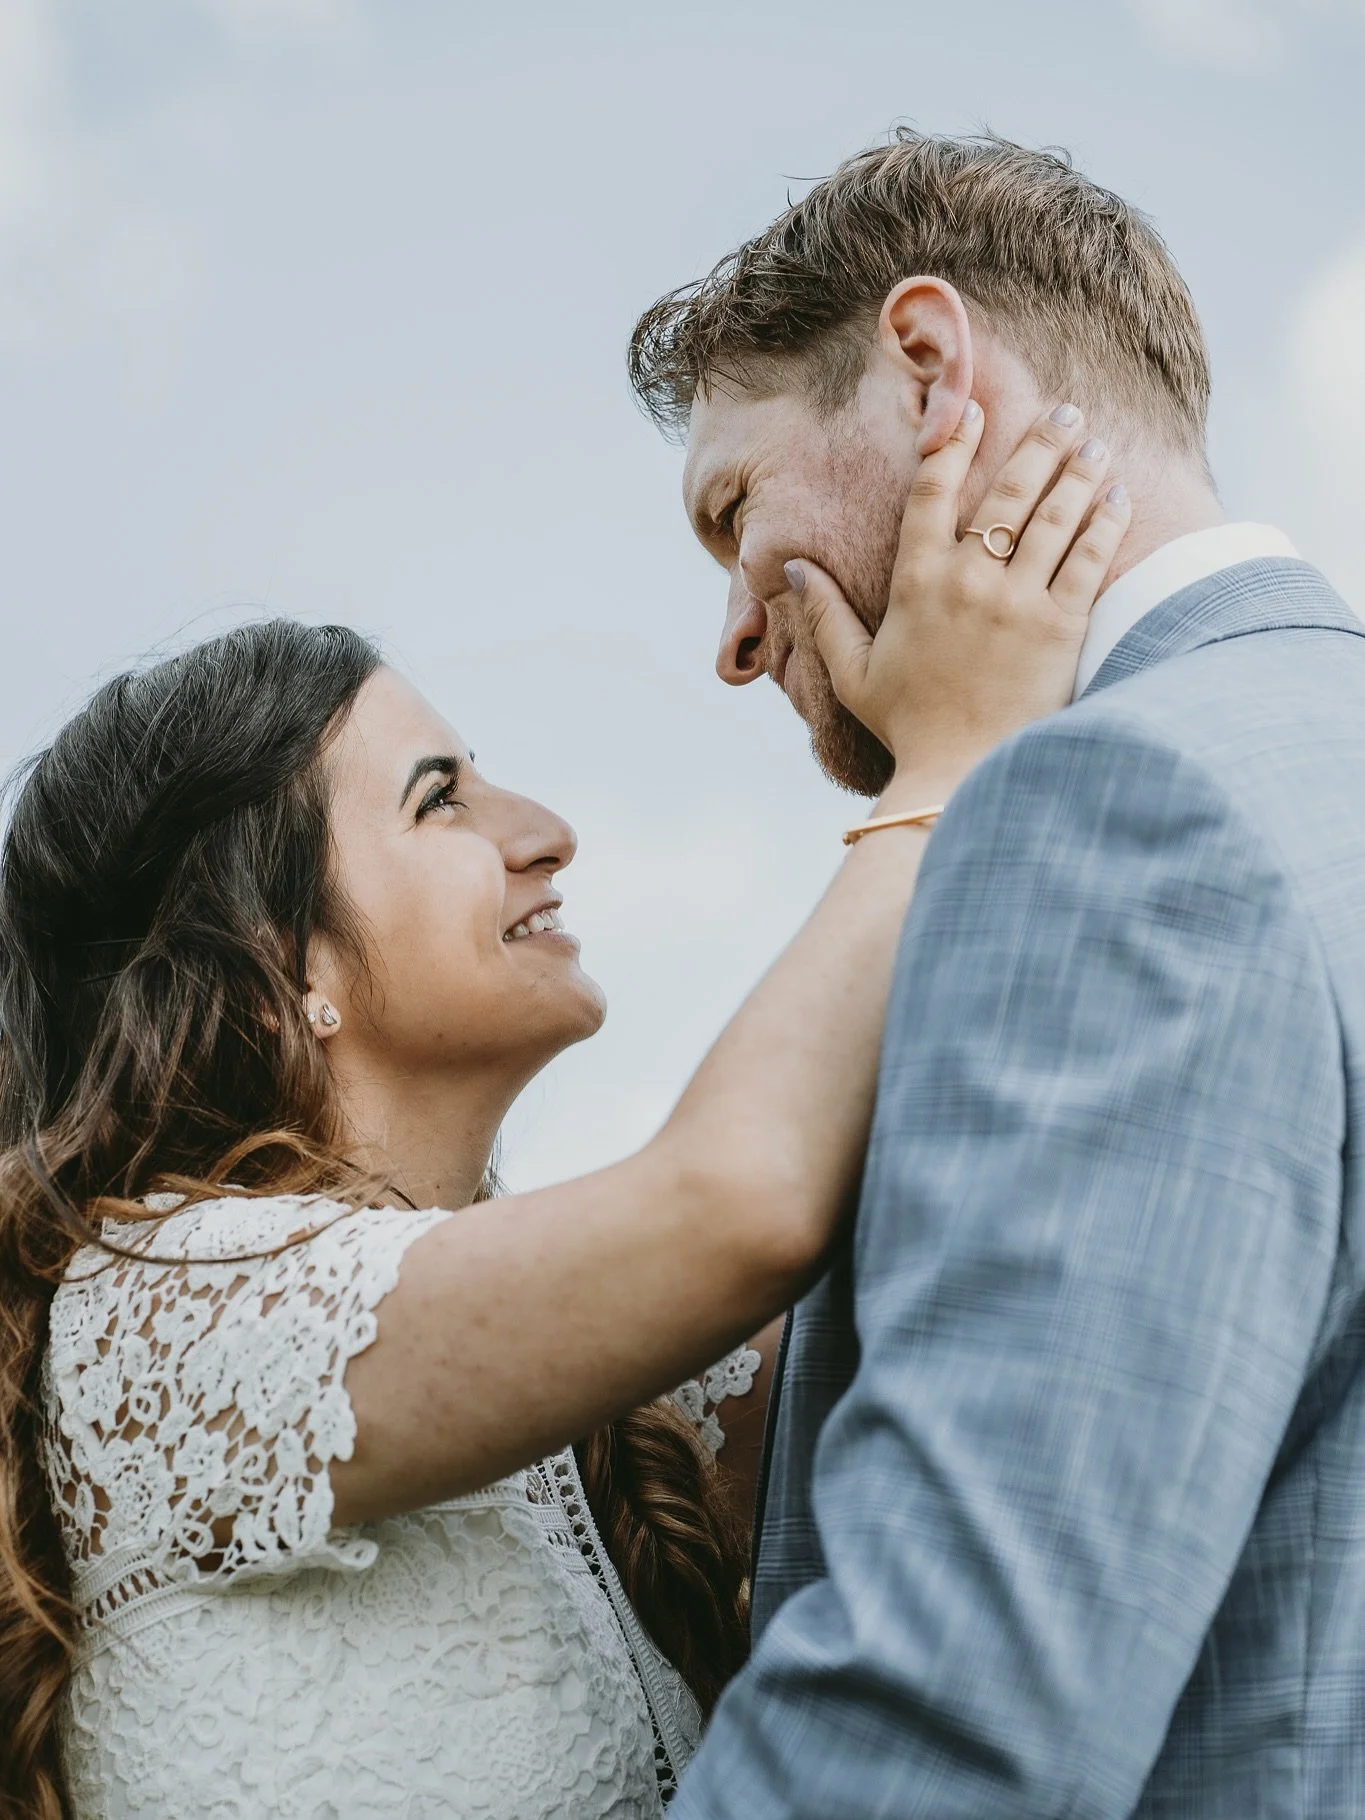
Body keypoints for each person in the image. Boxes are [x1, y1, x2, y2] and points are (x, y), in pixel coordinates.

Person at [0, 407, 1124, 1818]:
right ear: (283, 970)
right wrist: (951, 760)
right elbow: (743, 1202)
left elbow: (958, 1287)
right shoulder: (154, 1324)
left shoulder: (595, 1380)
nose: (541, 827)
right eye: (439, 801)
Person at [629, 127, 1365, 1819]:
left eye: (732, 513)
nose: (736, 632)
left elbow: (944, 1724)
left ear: (926, 369)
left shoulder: (1115, 821)